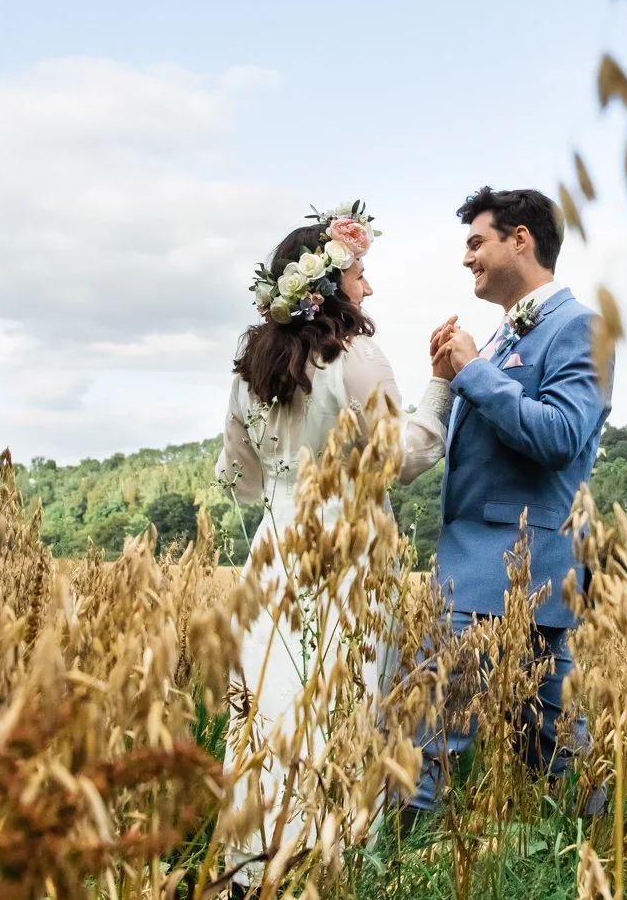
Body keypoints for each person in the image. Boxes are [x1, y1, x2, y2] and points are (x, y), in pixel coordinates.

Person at [213, 203, 452, 888]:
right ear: (327, 287)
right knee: (341, 698)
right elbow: (399, 460)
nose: (368, 288)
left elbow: (245, 478)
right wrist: (440, 391)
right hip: (345, 551)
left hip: (275, 551)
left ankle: (254, 864)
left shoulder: (246, 371)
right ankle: (333, 863)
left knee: (268, 704)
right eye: (360, 275)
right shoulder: (357, 358)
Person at [405, 185, 613, 826]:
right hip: (493, 570)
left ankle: (390, 871)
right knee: (555, 752)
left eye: (476, 242)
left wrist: (474, 371)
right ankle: (589, 860)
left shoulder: (580, 326)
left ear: (520, 239)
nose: (467, 258)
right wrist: (452, 373)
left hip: (510, 571)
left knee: (427, 747)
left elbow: (559, 435)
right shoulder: (501, 338)